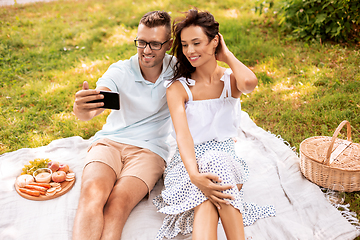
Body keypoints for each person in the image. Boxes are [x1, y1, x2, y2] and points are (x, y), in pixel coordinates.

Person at [153, 9, 276, 240]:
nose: (190, 51)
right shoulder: (178, 88)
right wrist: (195, 176)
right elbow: (183, 136)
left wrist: (227, 54)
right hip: (187, 166)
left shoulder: (231, 80)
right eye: (185, 45)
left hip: (226, 162)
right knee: (208, 197)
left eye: (197, 43)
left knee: (216, 163)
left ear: (214, 42)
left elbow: (250, 83)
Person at [72, 11, 175, 240]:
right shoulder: (120, 70)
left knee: (117, 203)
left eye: (155, 44)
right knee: (92, 194)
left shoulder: (178, 70)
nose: (146, 50)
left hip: (150, 151)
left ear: (168, 44)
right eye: (141, 42)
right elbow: (97, 103)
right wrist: (83, 108)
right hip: (109, 143)